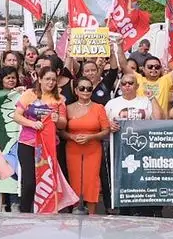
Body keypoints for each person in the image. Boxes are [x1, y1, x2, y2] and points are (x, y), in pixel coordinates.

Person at [13, 66, 67, 213]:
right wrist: (32, 124)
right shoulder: (29, 94)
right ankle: (25, 212)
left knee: (46, 181)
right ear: (40, 79)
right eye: (47, 79)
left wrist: (57, 119)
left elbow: (63, 124)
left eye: (54, 80)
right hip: (27, 144)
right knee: (29, 182)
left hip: (48, 145)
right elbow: (16, 116)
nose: (51, 82)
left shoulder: (59, 99)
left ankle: (46, 212)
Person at [61, 77, 110, 214]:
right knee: (75, 179)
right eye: (82, 88)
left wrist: (91, 137)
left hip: (93, 148)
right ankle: (76, 212)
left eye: (89, 88)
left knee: (92, 181)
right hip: (73, 148)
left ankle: (92, 214)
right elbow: (61, 131)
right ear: (76, 90)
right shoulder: (68, 108)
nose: (86, 91)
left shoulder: (99, 108)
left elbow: (106, 130)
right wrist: (72, 137)